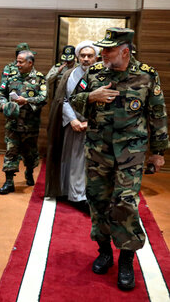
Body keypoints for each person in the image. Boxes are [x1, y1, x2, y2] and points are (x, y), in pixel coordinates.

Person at [70, 27, 168, 291]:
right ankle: (104, 252)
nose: (102, 54)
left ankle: (126, 259)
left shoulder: (147, 75)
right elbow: (72, 100)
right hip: (98, 152)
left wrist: (159, 152)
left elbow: (157, 114)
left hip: (130, 153)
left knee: (125, 204)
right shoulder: (94, 74)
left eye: (108, 50)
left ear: (125, 51)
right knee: (98, 202)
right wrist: (92, 96)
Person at [45, 41, 99, 209]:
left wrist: (89, 122)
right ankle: (69, 192)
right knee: (70, 158)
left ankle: (82, 196)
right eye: (83, 56)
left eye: (90, 56)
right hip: (72, 123)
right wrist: (73, 120)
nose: (86, 59)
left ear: (96, 57)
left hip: (95, 126)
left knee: (88, 162)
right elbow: (63, 99)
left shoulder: (103, 75)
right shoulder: (70, 74)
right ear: (78, 57)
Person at [0, 50, 47, 194]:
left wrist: (27, 100)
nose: (17, 64)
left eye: (20, 62)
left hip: (30, 124)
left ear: (30, 63)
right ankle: (8, 181)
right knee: (10, 151)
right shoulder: (11, 77)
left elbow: (44, 98)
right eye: (17, 61)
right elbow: (1, 94)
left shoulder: (39, 78)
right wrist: (4, 104)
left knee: (30, 153)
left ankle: (29, 171)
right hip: (12, 123)